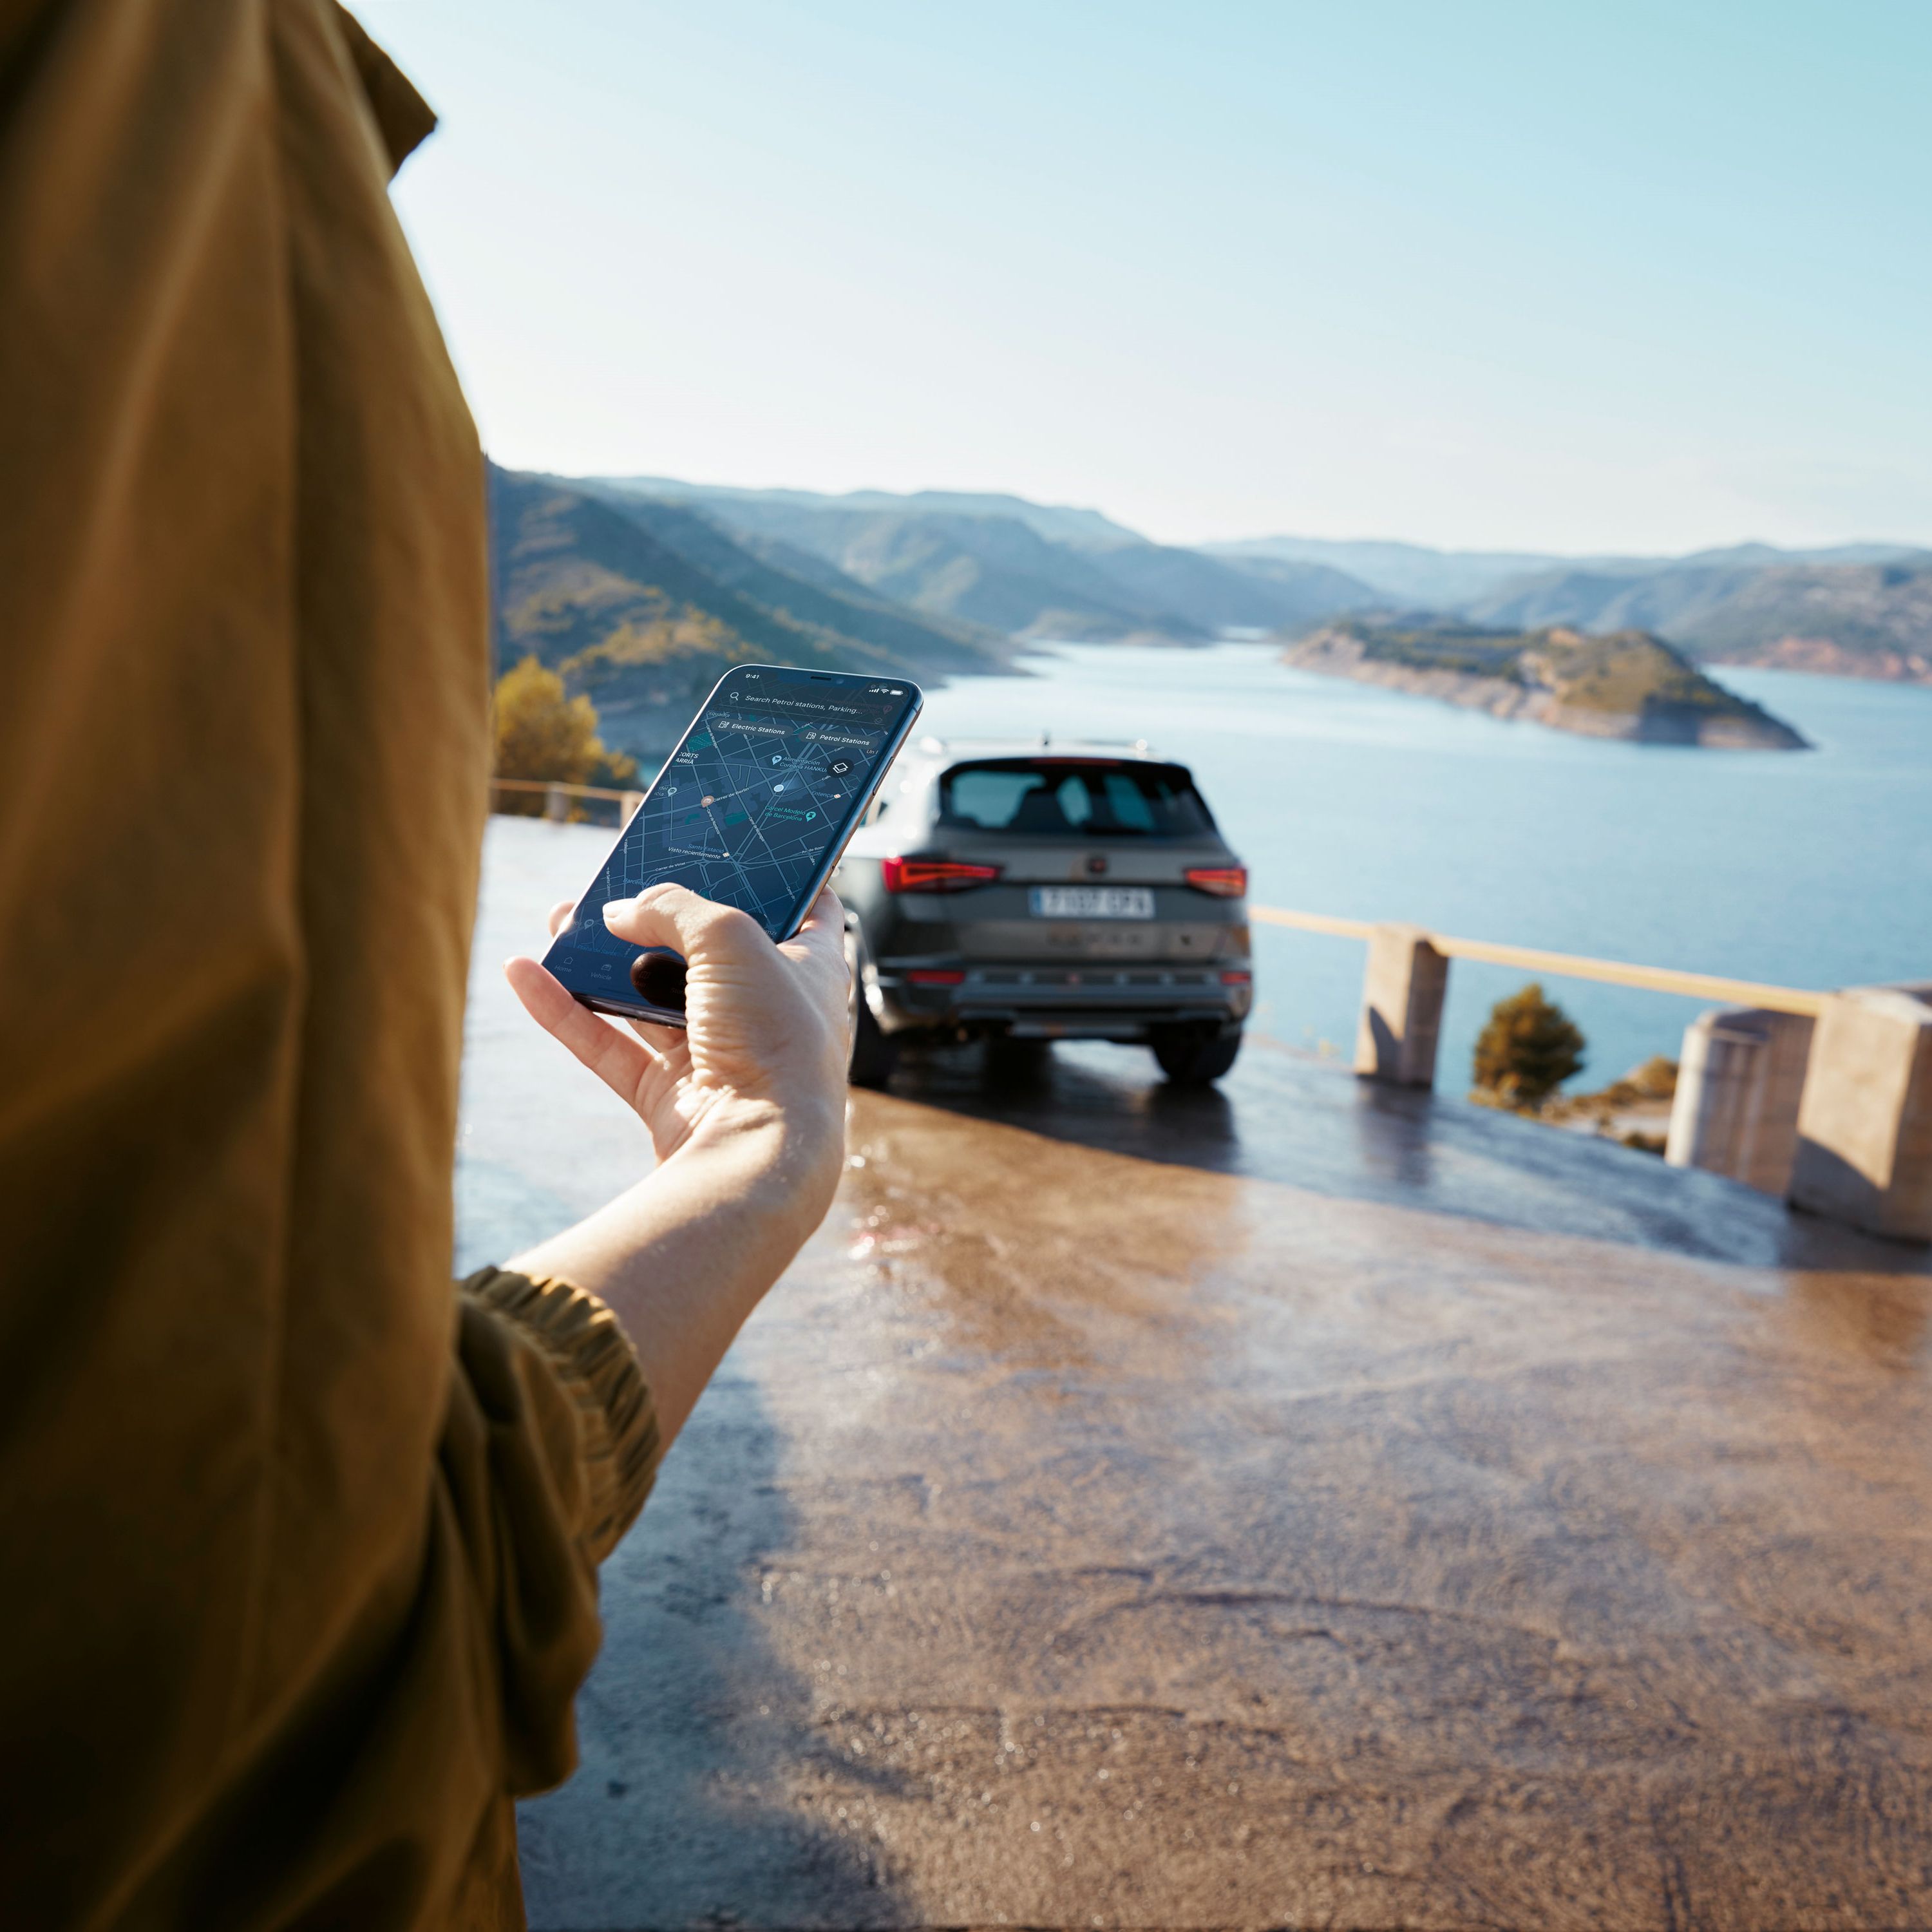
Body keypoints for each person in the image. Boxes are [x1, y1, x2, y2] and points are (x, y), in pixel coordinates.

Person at [0, 4, 849, 1926]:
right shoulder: (153, 92)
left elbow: (267, 1500)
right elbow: (216, 1630)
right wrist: (753, 1170)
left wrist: (741, 1172)